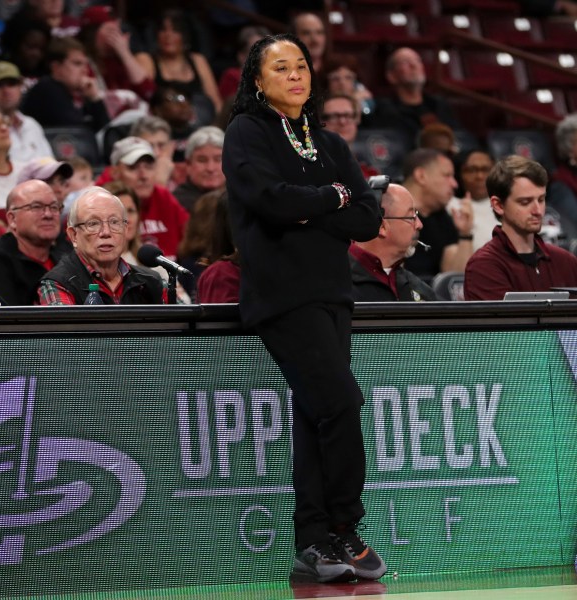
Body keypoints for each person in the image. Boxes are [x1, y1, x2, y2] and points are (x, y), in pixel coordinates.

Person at [222, 33, 386, 583]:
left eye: (301, 66)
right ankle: (343, 528)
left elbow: (367, 218)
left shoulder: (330, 142)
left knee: (315, 415)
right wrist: (331, 197)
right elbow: (269, 201)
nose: (295, 75)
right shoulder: (247, 131)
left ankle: (313, 541)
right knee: (341, 403)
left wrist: (310, 206)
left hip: (334, 295)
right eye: (281, 67)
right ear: (258, 80)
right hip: (283, 296)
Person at [464, 155, 577, 300]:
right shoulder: (484, 266)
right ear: (498, 205)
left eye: (541, 200)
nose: (538, 210)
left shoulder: (566, 262)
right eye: (525, 202)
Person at [38, 186, 166, 305]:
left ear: (125, 230)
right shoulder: (58, 283)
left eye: (114, 222)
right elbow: (66, 329)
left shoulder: (151, 281)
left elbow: (183, 322)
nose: (106, 232)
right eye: (93, 224)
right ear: (74, 235)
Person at [0, 179, 70, 305]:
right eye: (36, 207)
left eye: (54, 207)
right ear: (12, 219)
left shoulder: (68, 255)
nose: (48, 214)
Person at [106, 136, 189, 260]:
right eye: (133, 168)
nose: (143, 176)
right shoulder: (99, 201)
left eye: (148, 167)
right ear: (115, 172)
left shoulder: (163, 196)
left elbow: (192, 238)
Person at [349, 183, 436, 301]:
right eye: (411, 217)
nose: (419, 225)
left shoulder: (420, 290)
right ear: (381, 227)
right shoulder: (335, 283)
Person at [402, 148, 473, 283]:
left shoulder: (442, 218)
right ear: (421, 176)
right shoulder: (386, 211)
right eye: (447, 176)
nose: (455, 184)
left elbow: (456, 280)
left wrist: (465, 233)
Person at [136, 9, 222, 119]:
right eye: (163, 30)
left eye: (175, 30)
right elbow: (145, 98)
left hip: (199, 121)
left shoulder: (198, 60)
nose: (168, 35)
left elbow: (215, 102)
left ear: (185, 36)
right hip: (161, 123)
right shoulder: (147, 59)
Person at [21, 36, 110, 132]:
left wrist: (95, 98)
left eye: (85, 65)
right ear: (56, 67)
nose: (85, 70)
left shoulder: (81, 92)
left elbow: (105, 132)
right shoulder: (47, 90)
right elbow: (77, 132)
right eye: (77, 64)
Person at [0, 61, 54, 163]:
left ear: (21, 87)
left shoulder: (31, 124)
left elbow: (51, 164)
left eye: (11, 83)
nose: (6, 91)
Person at [381, 47, 460, 140]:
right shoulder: (385, 110)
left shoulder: (438, 104)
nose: (414, 65)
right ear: (391, 76)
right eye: (405, 62)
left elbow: (459, 137)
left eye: (418, 60)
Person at [449, 149, 497, 251]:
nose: (480, 176)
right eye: (471, 170)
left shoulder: (508, 203)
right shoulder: (449, 205)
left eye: (486, 169)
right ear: (458, 174)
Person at [321, 93, 378, 178]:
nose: (343, 122)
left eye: (348, 116)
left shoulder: (368, 168)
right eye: (334, 116)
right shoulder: (313, 166)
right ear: (320, 121)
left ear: (357, 119)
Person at [174, 126, 226, 212]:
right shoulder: (176, 204)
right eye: (202, 160)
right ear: (188, 164)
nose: (210, 168)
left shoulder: (241, 196)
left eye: (218, 159)